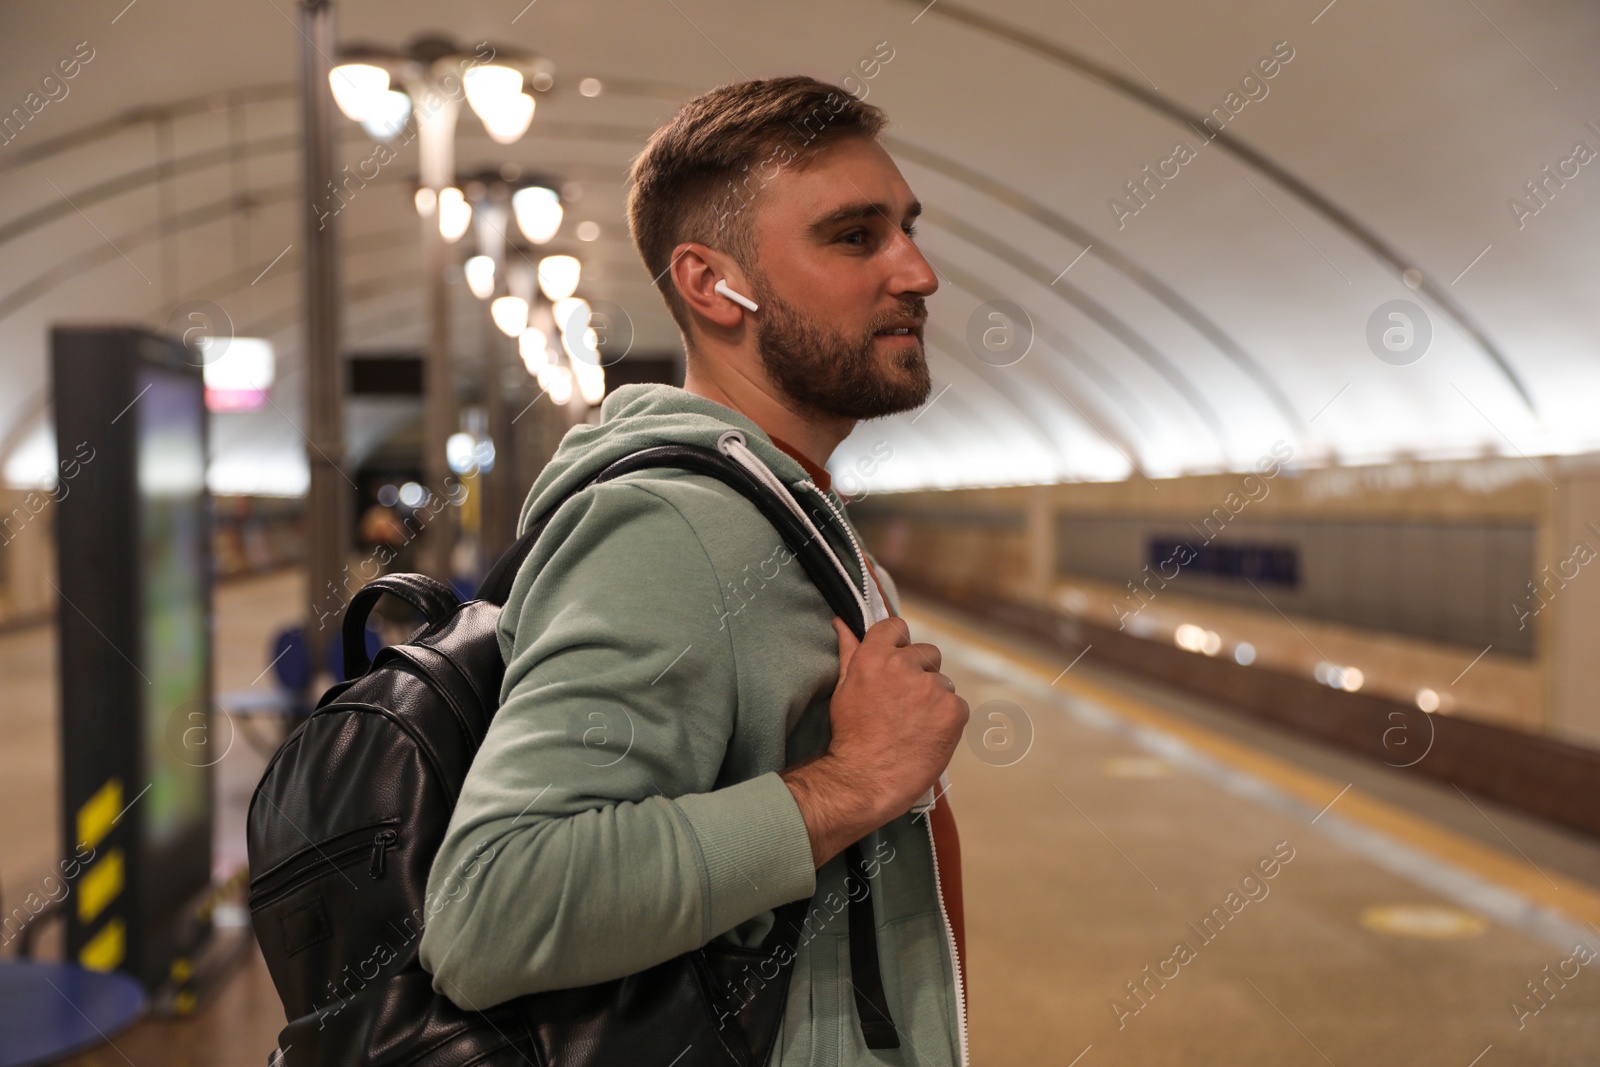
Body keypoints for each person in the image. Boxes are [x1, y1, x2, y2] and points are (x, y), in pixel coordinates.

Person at [419, 75, 971, 1066]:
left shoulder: (778, 505)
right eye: (856, 237)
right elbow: (492, 903)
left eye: (907, 229)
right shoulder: (669, 526)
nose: (918, 271)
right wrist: (849, 784)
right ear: (715, 286)